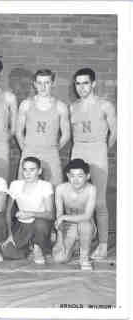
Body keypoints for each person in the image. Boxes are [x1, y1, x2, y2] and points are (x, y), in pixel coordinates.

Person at [70, 68, 117, 260]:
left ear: (93, 84)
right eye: (78, 83)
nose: (81, 87)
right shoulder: (72, 107)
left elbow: (115, 131)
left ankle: (104, 245)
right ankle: (83, 240)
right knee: (78, 199)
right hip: (78, 150)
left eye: (85, 83)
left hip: (97, 150)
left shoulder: (105, 105)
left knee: (98, 201)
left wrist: (103, 149)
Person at [16, 69, 70, 186]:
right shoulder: (26, 104)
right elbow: (19, 132)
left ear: (53, 83)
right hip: (30, 151)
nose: (43, 87)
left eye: (47, 83)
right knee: (23, 188)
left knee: (55, 188)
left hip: (51, 153)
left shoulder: (60, 106)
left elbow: (66, 134)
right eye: (39, 83)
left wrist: (54, 149)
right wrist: (26, 150)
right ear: (34, 84)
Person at [1, 157, 54, 264]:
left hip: (40, 224)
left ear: (39, 171)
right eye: (25, 169)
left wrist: (30, 213)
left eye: (32, 170)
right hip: (22, 226)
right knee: (7, 252)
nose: (28, 173)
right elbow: (8, 212)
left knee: (40, 224)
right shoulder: (15, 185)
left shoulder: (45, 186)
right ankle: (30, 249)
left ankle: (38, 247)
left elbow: (50, 215)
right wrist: (9, 235)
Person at [52, 159, 96, 270]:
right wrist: (60, 240)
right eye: (72, 176)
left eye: (80, 176)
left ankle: (84, 257)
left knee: (84, 223)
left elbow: (87, 216)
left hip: (87, 226)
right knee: (59, 258)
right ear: (67, 175)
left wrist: (64, 217)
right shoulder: (60, 188)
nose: (75, 180)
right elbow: (59, 217)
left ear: (88, 176)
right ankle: (75, 245)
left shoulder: (91, 189)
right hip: (69, 226)